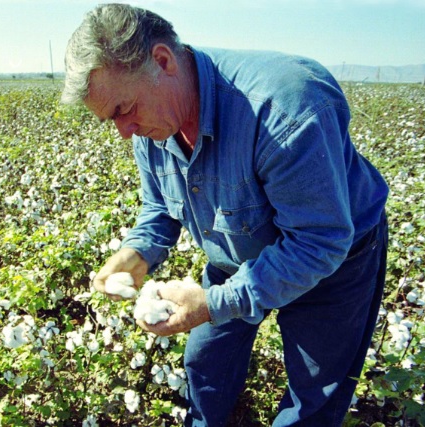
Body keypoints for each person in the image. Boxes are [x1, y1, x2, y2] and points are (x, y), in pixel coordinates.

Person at [61, 3, 389, 427]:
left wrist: (214, 303)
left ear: (162, 61)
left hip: (332, 261)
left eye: (123, 110)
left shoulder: (282, 107)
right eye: (111, 120)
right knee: (206, 363)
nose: (123, 131)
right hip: (234, 252)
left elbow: (317, 244)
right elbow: (160, 206)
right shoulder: (151, 120)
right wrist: (137, 252)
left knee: (315, 393)